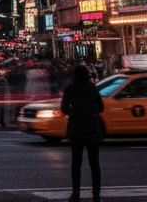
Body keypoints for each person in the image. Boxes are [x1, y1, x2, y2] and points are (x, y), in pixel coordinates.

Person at [60, 65, 103, 202]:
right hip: (92, 128)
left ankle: (76, 193)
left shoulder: (71, 88)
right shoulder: (93, 88)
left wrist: (74, 111)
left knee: (76, 163)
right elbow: (101, 108)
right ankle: (96, 194)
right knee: (94, 164)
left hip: (77, 128)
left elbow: (64, 109)